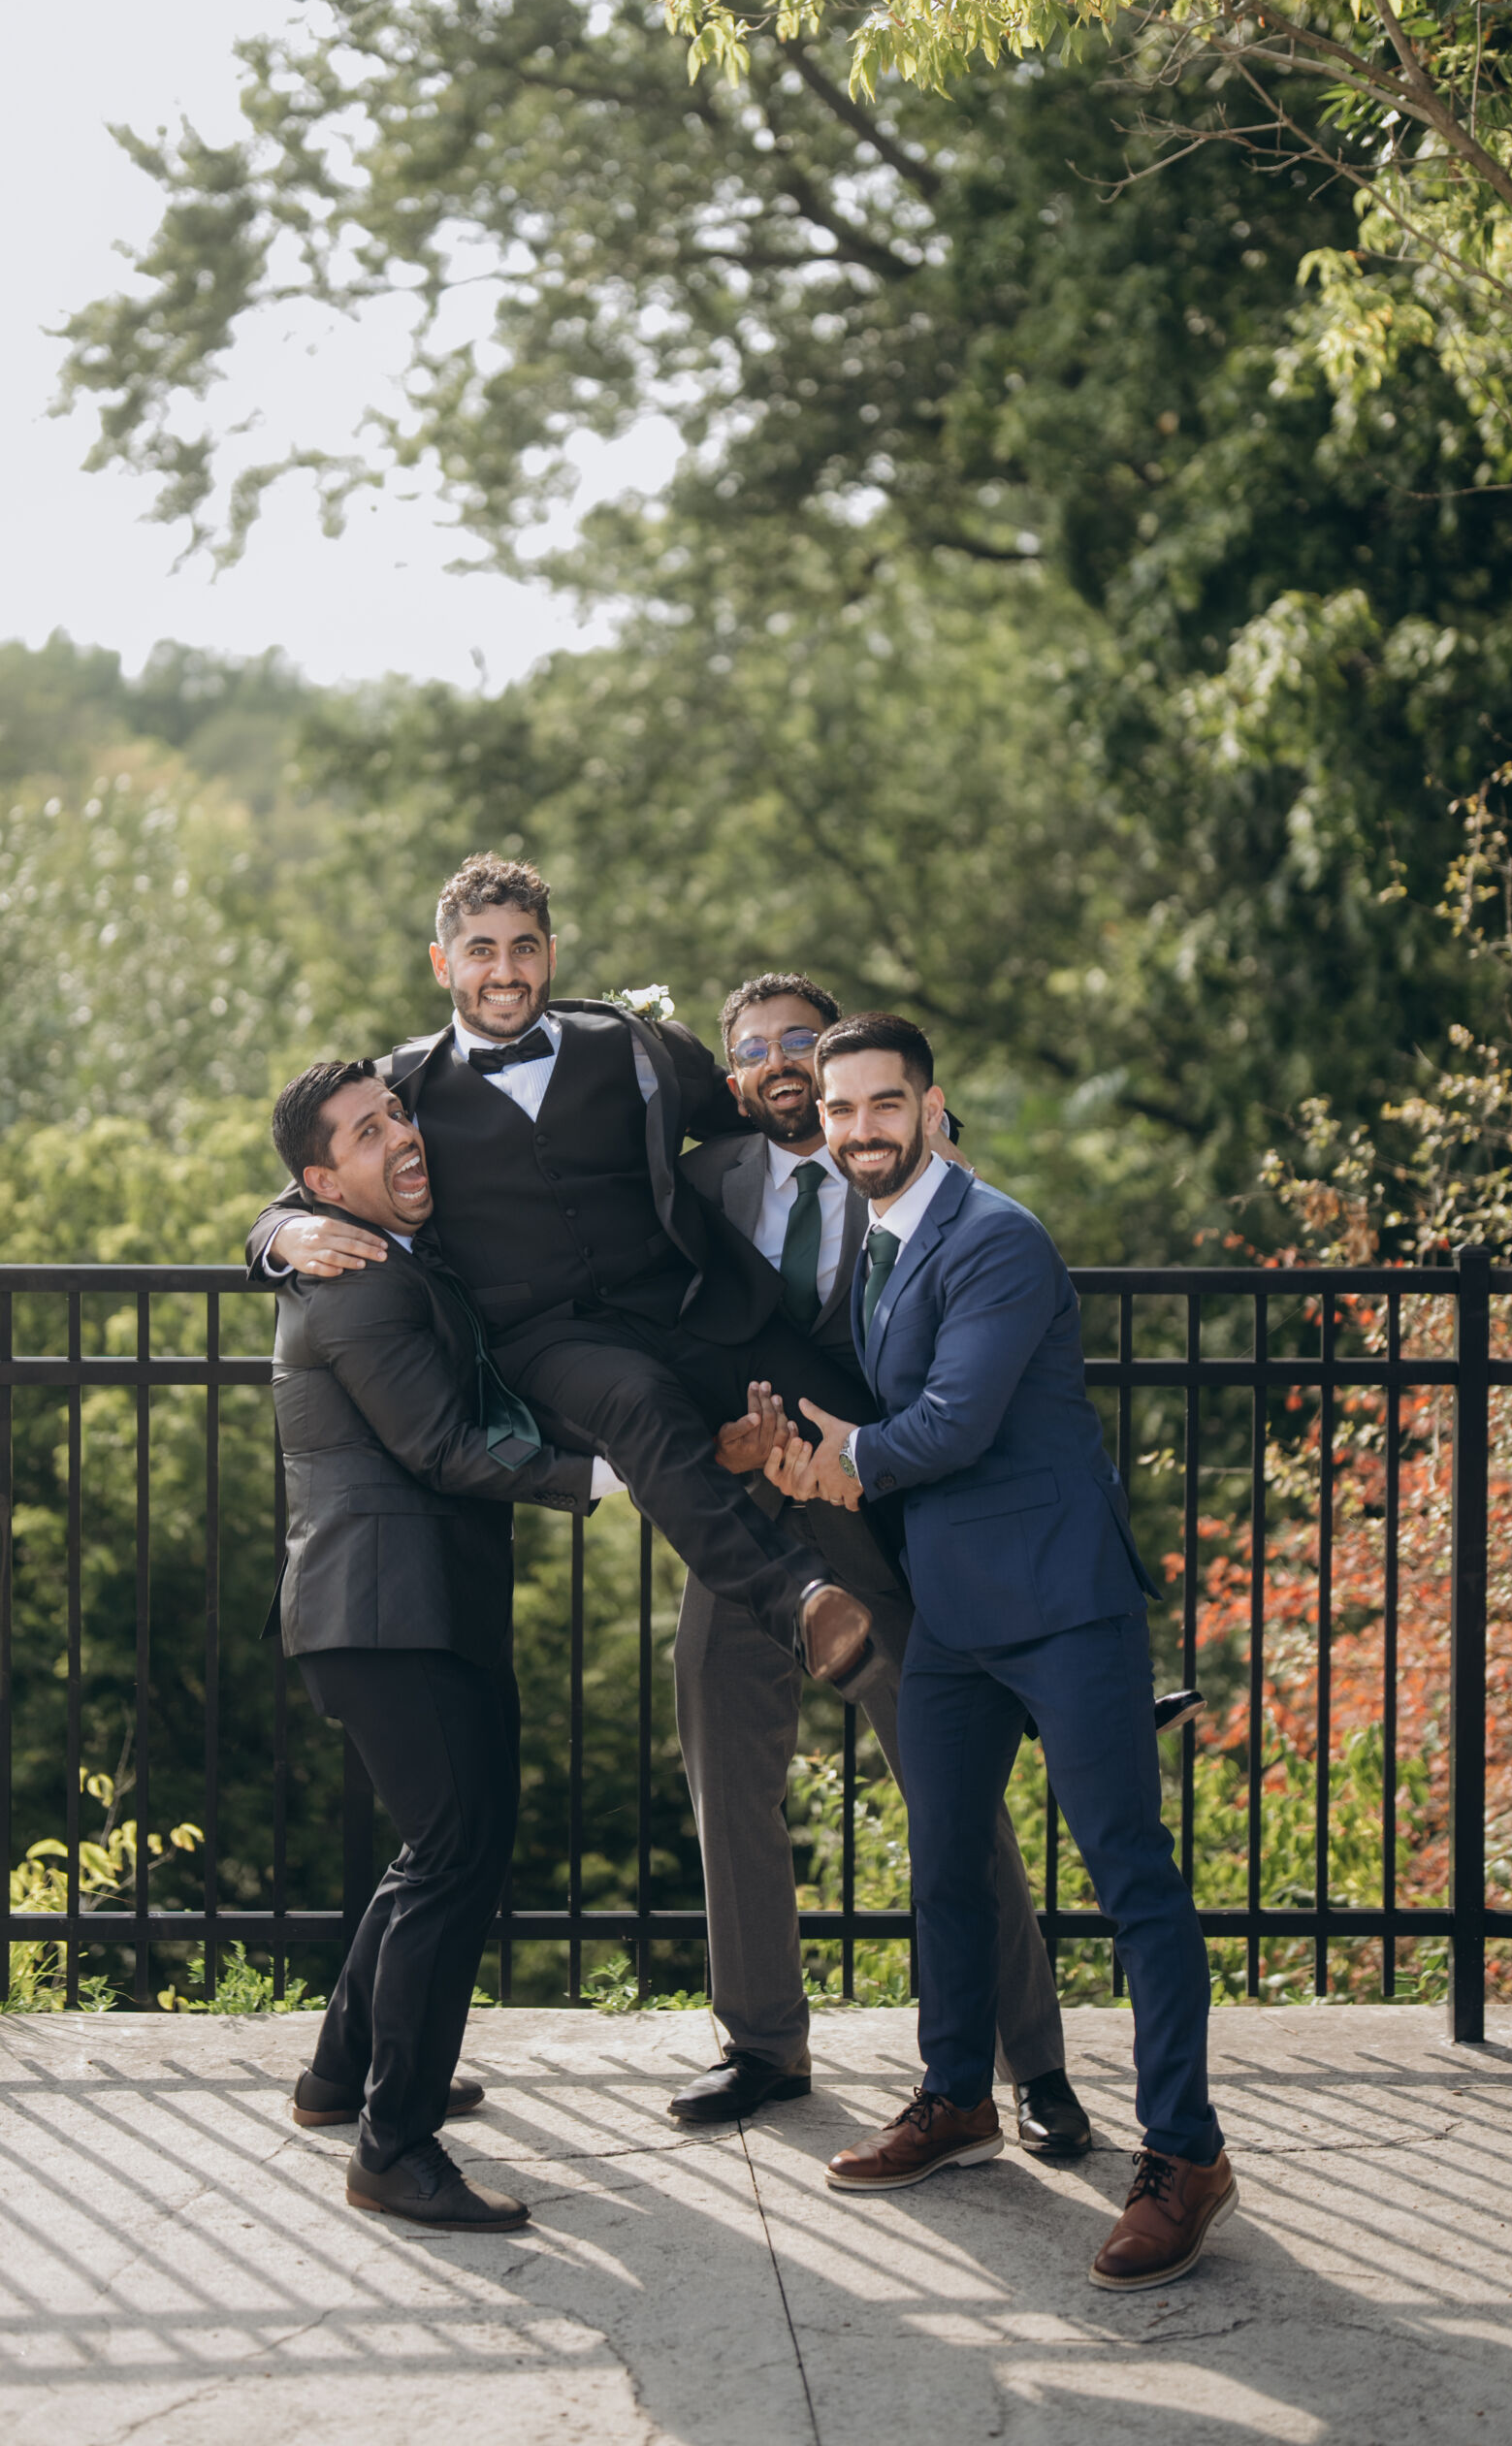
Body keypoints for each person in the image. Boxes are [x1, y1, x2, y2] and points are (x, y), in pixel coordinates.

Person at [775, 1013, 1239, 2293]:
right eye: (839, 1109)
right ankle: (956, 2098)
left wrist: (842, 1464)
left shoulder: (997, 1238)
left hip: (1063, 1601)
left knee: (1131, 1879)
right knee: (947, 1870)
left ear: (930, 1109)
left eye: (884, 1104)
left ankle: (1186, 2155)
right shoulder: (875, 1240)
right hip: (956, 1616)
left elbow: (955, 1423)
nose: (860, 1128)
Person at [250, 853, 875, 1696]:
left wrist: (926, 1142)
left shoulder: (636, 1046)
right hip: (547, 1343)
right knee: (640, 1405)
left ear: (550, 952)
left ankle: (987, 1623)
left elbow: (773, 1108)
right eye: (480, 951)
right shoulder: (401, 1088)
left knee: (855, 1420)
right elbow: (298, 1192)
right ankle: (798, 1601)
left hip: (696, 1308)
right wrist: (282, 1233)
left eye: (523, 947)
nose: (504, 971)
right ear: (442, 964)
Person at [666, 974, 1090, 2158]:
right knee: (725, 1774)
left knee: (952, 1792)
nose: (780, 1059)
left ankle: (1035, 2065)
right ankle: (762, 2045)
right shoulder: (698, 1183)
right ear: (733, 1076)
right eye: (755, 1046)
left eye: (801, 1038)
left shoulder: (909, 1172)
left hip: (887, 1527)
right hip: (744, 1529)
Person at [265, 1054, 614, 2234]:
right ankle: (395, 2146)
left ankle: (342, 2076)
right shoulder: (357, 1281)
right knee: (455, 1855)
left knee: (445, 1846)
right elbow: (442, 1447)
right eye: (366, 1134)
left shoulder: (381, 1250)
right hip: (383, 1611)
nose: (401, 1135)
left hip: (415, 1607)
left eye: (397, 1113)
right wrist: (612, 1475)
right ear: (323, 1184)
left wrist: (273, 1229)